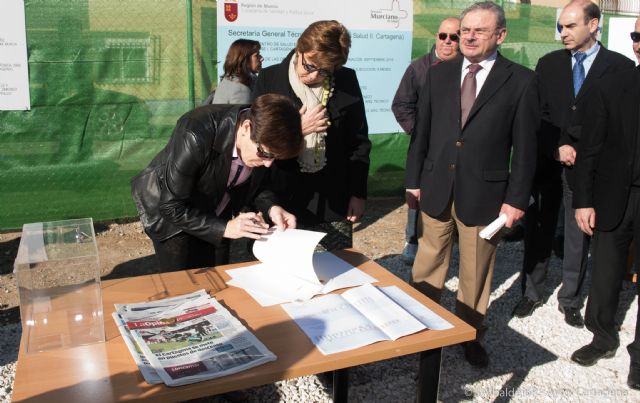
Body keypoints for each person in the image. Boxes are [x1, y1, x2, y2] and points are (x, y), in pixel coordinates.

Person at [405, 1, 538, 367]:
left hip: (486, 195)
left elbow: (526, 150)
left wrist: (516, 201)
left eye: (480, 30)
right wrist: (413, 181)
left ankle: (470, 332)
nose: (469, 36)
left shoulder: (521, 81)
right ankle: (423, 328)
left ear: (501, 35)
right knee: (428, 260)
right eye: (466, 29)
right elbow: (423, 133)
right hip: (435, 187)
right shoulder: (439, 74)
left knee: (476, 270)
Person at [512, 0, 634, 327]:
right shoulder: (548, 64)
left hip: (589, 167)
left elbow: (619, 123)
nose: (562, 33)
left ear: (594, 24)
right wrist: (557, 147)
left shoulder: (620, 68)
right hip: (549, 163)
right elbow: (538, 114)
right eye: (560, 26)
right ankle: (532, 291)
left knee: (578, 233)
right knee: (539, 227)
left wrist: (587, 150)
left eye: (570, 26)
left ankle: (570, 298)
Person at [131, 94, 302, 272]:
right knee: (183, 283)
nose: (268, 164)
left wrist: (272, 207)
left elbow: (259, 185)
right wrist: (225, 228)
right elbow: (171, 206)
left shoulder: (262, 137)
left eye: (275, 157)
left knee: (217, 276)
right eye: (265, 154)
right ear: (246, 127)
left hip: (217, 210)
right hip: (173, 215)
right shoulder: (195, 131)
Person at [252, 20, 370, 251]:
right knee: (285, 270)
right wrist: (296, 129)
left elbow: (358, 142)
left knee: (333, 268)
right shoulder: (268, 79)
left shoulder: (345, 81)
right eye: (310, 66)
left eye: (325, 70)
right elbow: (258, 138)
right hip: (283, 197)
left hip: (332, 199)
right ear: (300, 49)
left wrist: (358, 193)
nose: (315, 75)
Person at [569, 59, 639, 390]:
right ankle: (602, 337)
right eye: (637, 33)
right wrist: (583, 200)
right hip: (614, 198)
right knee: (606, 272)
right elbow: (590, 148)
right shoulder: (612, 85)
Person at [392, 17, 461, 264]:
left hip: (456, 149)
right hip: (427, 149)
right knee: (417, 194)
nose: (447, 41)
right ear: (436, 37)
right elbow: (401, 104)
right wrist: (421, 133)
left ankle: (455, 240)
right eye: (443, 35)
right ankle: (412, 240)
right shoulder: (419, 68)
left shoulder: (467, 70)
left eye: (454, 37)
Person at [205, 39, 263, 104]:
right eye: (256, 55)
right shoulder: (240, 89)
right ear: (243, 59)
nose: (262, 58)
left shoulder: (229, 80)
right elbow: (243, 114)